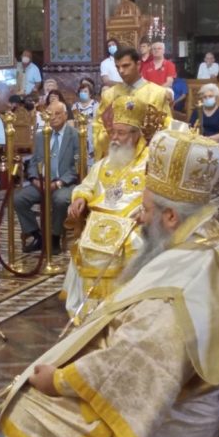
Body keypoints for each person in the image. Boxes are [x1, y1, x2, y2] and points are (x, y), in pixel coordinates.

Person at [0, 130, 219, 437]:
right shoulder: (213, 241)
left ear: (171, 217)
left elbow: (135, 365)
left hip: (178, 414)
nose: (138, 216)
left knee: (21, 415)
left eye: (146, 209)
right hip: (190, 394)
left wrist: (59, 381)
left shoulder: (179, 281)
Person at [62, 96, 152, 321]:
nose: (115, 138)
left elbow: (160, 197)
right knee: (86, 243)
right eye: (113, 132)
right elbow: (87, 185)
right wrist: (80, 198)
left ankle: (124, 307)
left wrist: (147, 212)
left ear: (136, 134)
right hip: (100, 223)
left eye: (121, 133)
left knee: (135, 245)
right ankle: (89, 308)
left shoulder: (151, 163)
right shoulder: (104, 163)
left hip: (134, 224)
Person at [15, 101, 79, 254]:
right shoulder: (40, 136)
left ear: (65, 115)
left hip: (64, 183)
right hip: (42, 182)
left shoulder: (75, 135)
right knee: (18, 199)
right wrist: (35, 180)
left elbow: (77, 165)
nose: (54, 117)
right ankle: (37, 236)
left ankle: (54, 237)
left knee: (60, 200)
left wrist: (59, 183)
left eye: (58, 114)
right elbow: (34, 161)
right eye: (50, 114)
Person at [93, 48, 171, 159]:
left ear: (138, 64)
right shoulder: (109, 95)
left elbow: (167, 129)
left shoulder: (157, 93)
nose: (121, 71)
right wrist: (114, 135)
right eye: (117, 67)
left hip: (146, 157)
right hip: (116, 155)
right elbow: (98, 127)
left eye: (126, 66)